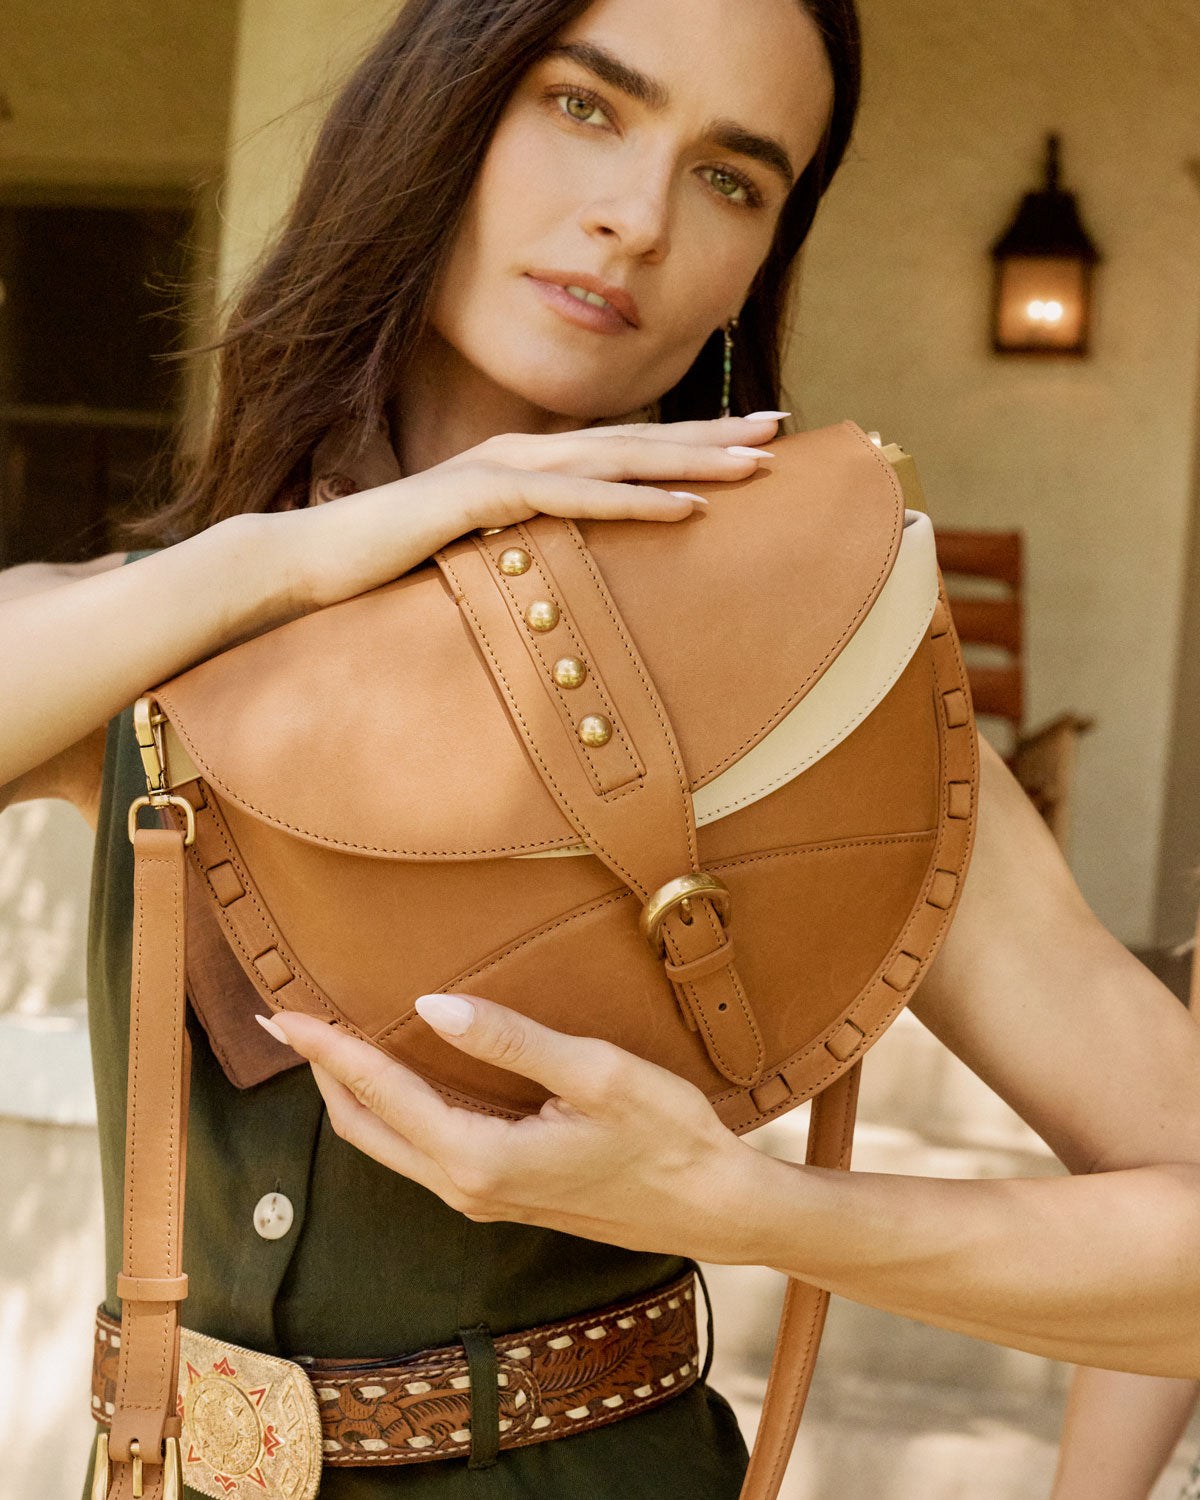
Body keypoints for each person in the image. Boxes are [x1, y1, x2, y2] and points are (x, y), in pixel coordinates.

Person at [4, 3, 1200, 1499]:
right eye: (584, 106)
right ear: (439, 114)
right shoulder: (167, 629)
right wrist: (298, 563)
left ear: (764, 257)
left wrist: (756, 1207)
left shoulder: (830, 666)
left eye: (733, 178)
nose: (635, 217)